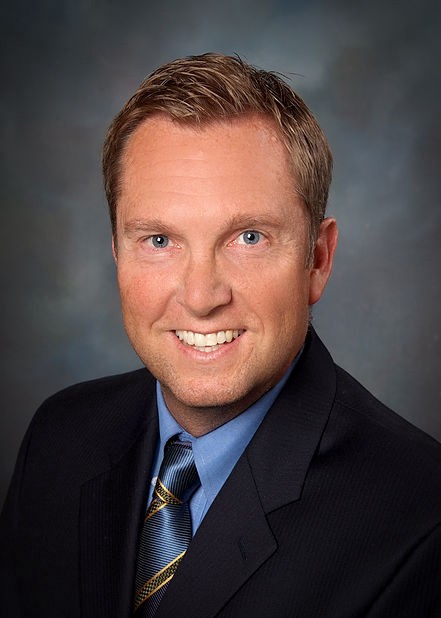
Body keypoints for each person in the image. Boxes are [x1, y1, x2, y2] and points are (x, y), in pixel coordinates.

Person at [1, 53, 441, 618]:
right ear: (116, 252)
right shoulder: (60, 437)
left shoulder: (420, 521)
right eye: (159, 241)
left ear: (317, 259)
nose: (202, 296)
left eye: (249, 237)